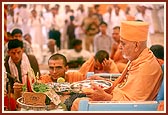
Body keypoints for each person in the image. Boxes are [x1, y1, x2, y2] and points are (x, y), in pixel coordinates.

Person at [71, 21, 163, 111]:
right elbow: (122, 85)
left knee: (78, 103)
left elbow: (133, 105)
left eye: (123, 43)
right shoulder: (137, 58)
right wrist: (103, 81)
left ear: (136, 45)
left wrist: (104, 97)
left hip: (123, 107)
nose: (119, 47)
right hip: (117, 100)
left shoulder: (146, 68)